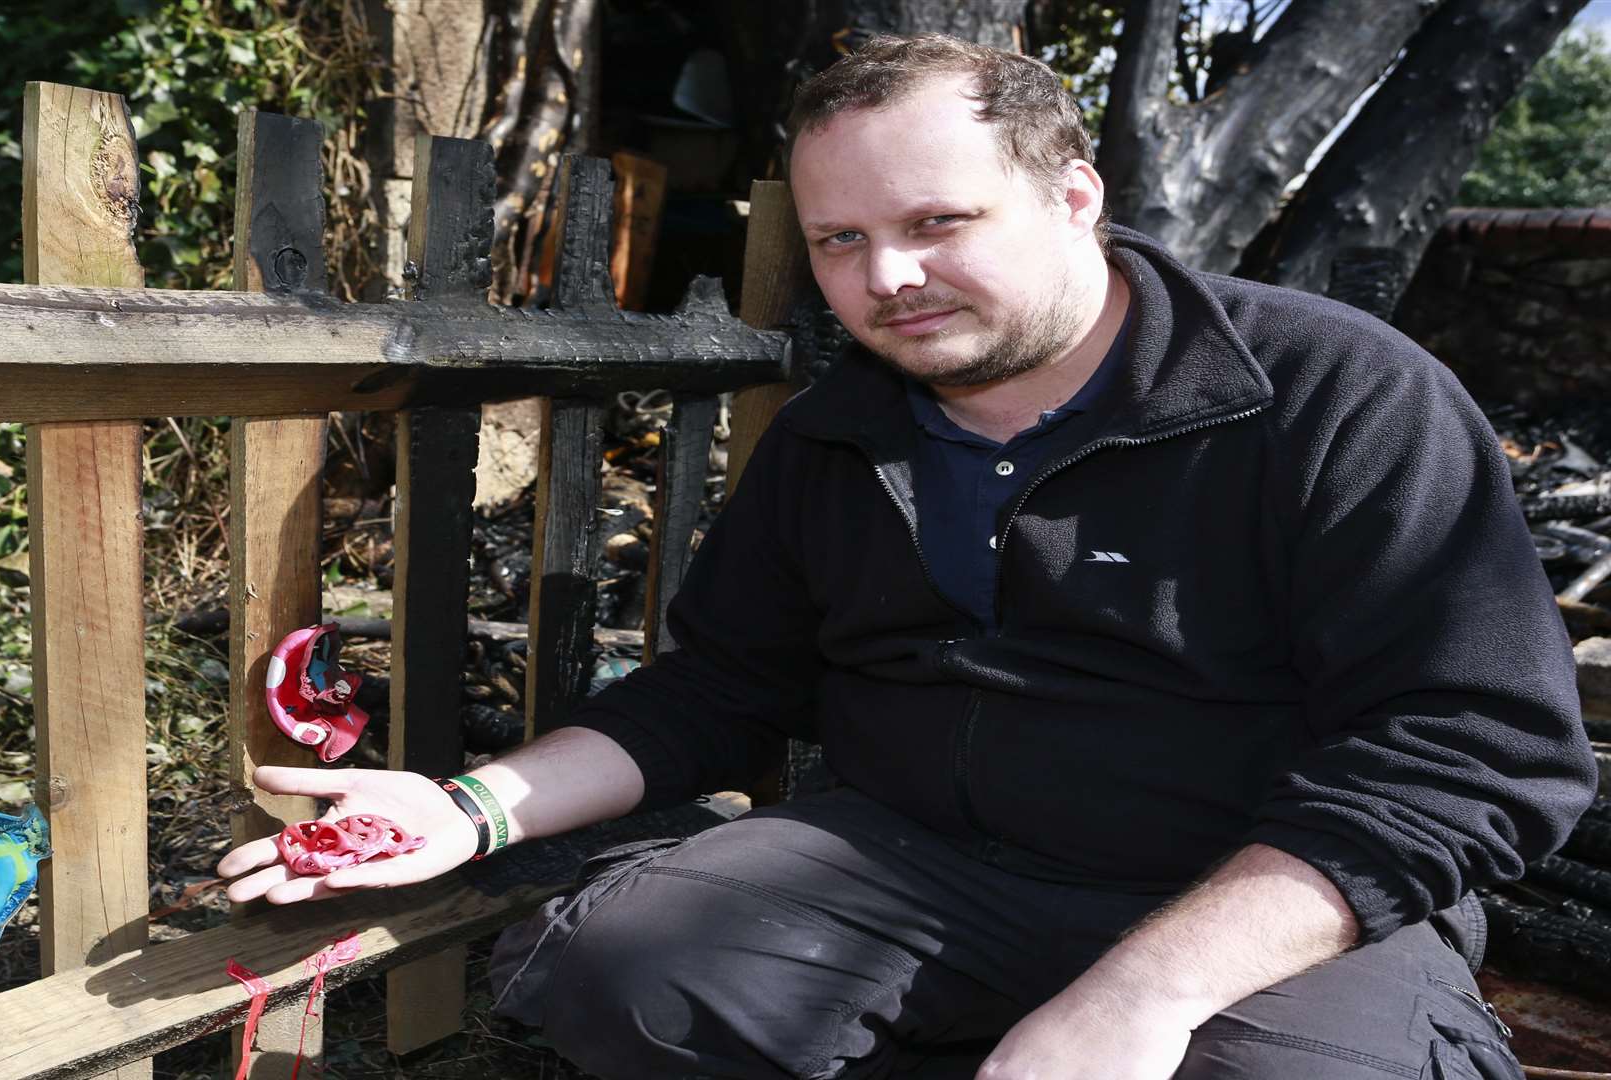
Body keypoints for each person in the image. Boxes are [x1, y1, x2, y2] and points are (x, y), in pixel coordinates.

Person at [219, 34, 1599, 1079]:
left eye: (938, 223)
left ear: (1074, 197)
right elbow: (718, 691)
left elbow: (1474, 755)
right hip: (922, 862)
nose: (887, 280)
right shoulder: (837, 434)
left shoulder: (1334, 395)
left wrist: (1139, 993)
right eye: (842, 241)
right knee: (615, 967)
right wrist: (471, 811)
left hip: (1262, 893)